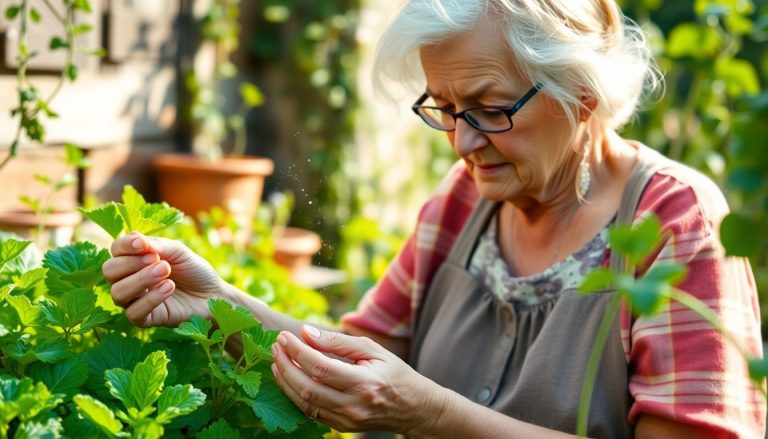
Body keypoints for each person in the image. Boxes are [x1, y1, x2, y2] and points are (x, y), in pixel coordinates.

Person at [102, 0, 765, 437]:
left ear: (582, 93)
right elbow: (365, 357)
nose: (462, 142)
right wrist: (217, 304)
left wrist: (431, 412)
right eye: (444, 107)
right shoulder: (464, 200)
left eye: (489, 108)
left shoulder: (674, 221)